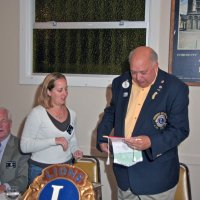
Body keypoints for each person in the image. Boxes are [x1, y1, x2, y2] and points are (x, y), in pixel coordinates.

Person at [96, 46, 189, 200]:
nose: (138, 78)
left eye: (143, 72)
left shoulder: (175, 88)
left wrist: (151, 142)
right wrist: (101, 139)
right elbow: (112, 112)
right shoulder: (121, 83)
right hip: (124, 176)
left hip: (156, 179)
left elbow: (180, 130)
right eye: (133, 72)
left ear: (155, 66)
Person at [20, 72, 83, 184]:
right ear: (48, 92)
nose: (65, 94)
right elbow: (24, 146)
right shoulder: (37, 114)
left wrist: (75, 151)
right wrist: (54, 141)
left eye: (66, 89)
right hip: (41, 171)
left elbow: (72, 140)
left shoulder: (72, 114)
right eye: (60, 90)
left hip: (66, 169)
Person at [0, 107, 29, 194]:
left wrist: (5, 187)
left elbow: (24, 179)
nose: (0, 125)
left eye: (3, 121)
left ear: (10, 124)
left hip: (9, 195)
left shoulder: (21, 147)